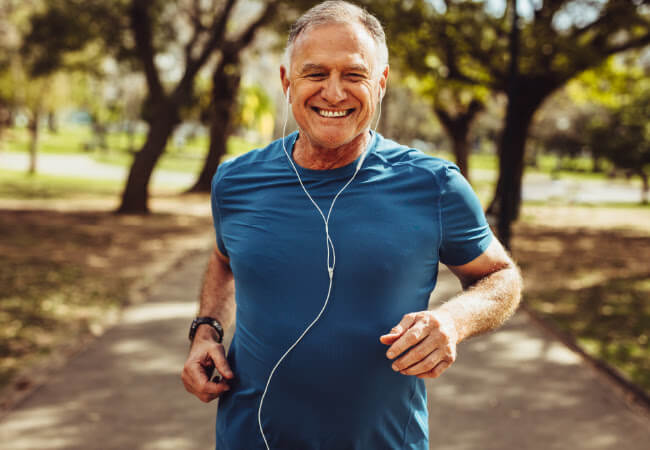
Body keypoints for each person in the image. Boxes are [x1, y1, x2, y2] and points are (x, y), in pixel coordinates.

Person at [181, 1, 522, 449]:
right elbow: (225, 258)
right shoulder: (235, 180)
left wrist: (453, 322)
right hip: (248, 437)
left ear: (380, 84)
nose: (334, 93)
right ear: (288, 82)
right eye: (316, 73)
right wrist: (206, 331)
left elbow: (501, 277)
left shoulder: (435, 185)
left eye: (354, 75)